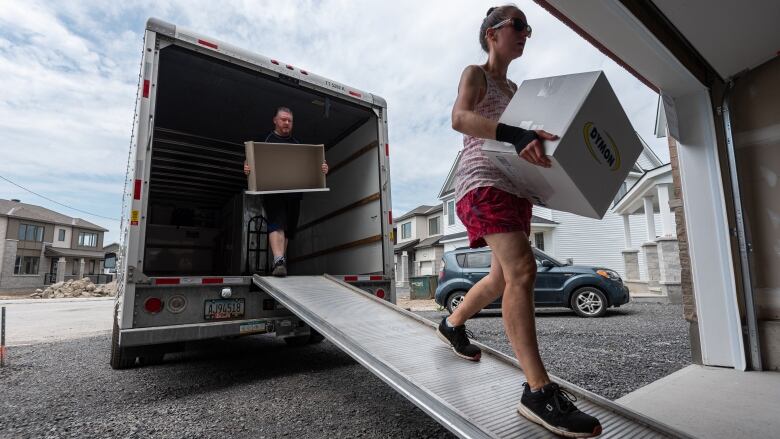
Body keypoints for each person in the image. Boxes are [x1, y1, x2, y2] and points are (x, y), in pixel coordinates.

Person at [435, 5, 602, 437]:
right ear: (492, 33)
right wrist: (515, 135)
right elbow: (460, 118)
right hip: (481, 181)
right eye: (518, 25)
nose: (527, 33)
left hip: (515, 187)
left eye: (530, 27)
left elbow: (528, 139)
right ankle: (537, 391)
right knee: (523, 271)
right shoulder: (477, 73)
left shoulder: (515, 90)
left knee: (500, 279)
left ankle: (451, 325)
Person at [244, 106, 328, 277]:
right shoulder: (265, 140)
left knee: (288, 229)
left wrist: (323, 168)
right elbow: (250, 159)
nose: (287, 123)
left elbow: (311, 166)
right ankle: (279, 260)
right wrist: (246, 167)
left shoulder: (298, 144)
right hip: (273, 192)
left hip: (294, 194)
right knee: (277, 223)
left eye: (290, 121)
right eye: (283, 119)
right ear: (275, 120)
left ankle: (279, 262)